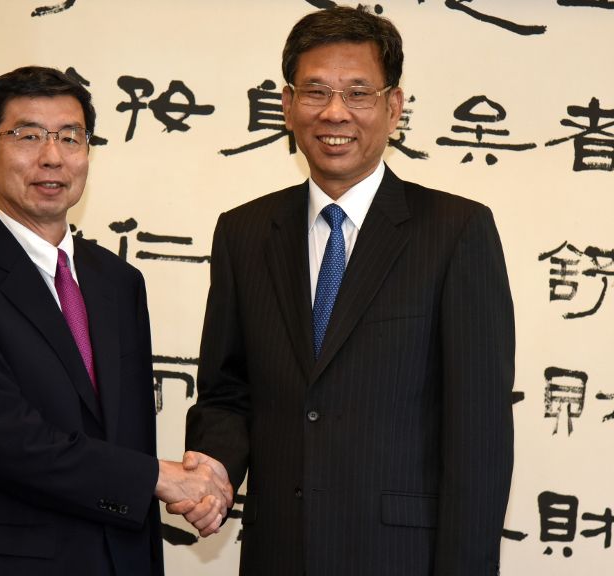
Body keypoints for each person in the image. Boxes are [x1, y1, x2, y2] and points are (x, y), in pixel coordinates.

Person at [182, 7, 515, 576]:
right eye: (315, 92)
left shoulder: (456, 230)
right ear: (287, 106)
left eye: (358, 92)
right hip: (278, 553)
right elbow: (227, 390)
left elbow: (479, 436)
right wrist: (214, 469)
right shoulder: (244, 232)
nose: (334, 112)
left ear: (394, 107)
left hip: (400, 558)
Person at [0, 66, 230, 576]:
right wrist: (159, 479)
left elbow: (128, 436)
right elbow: (7, 442)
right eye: (27, 136)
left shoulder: (119, 282)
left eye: (70, 137)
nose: (52, 156)